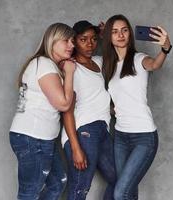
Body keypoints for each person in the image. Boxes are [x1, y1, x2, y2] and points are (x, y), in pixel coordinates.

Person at [102, 14, 172, 200]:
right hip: (120, 137)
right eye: (115, 32)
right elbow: (118, 98)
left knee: (120, 193)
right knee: (128, 192)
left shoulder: (139, 59)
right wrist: (113, 108)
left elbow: (155, 65)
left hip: (144, 137)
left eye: (124, 30)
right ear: (109, 36)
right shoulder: (110, 66)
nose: (121, 35)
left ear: (130, 34)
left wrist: (165, 48)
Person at [9, 23, 76, 200]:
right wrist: (69, 73)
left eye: (72, 41)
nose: (72, 45)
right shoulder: (44, 64)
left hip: (40, 138)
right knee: (30, 192)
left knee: (57, 182)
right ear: (52, 41)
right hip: (33, 137)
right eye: (66, 40)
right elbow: (63, 104)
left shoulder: (45, 64)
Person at [62, 20, 116, 200]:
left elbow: (120, 55)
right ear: (74, 41)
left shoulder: (98, 62)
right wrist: (76, 147)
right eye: (83, 39)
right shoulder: (71, 67)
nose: (89, 44)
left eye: (93, 39)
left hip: (103, 130)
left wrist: (105, 35)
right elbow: (67, 111)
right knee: (80, 189)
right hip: (83, 131)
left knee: (121, 180)